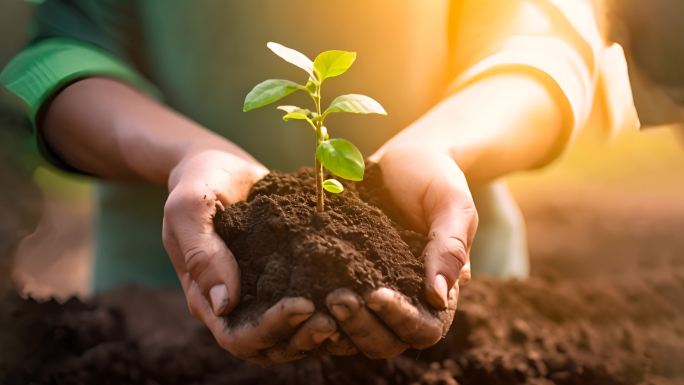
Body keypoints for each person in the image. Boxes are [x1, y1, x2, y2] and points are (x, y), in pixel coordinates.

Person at [1, 0, 643, 365]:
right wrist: (186, 156)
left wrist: (439, 145)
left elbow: (540, 33)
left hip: (467, 313)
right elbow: (59, 46)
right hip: (163, 317)